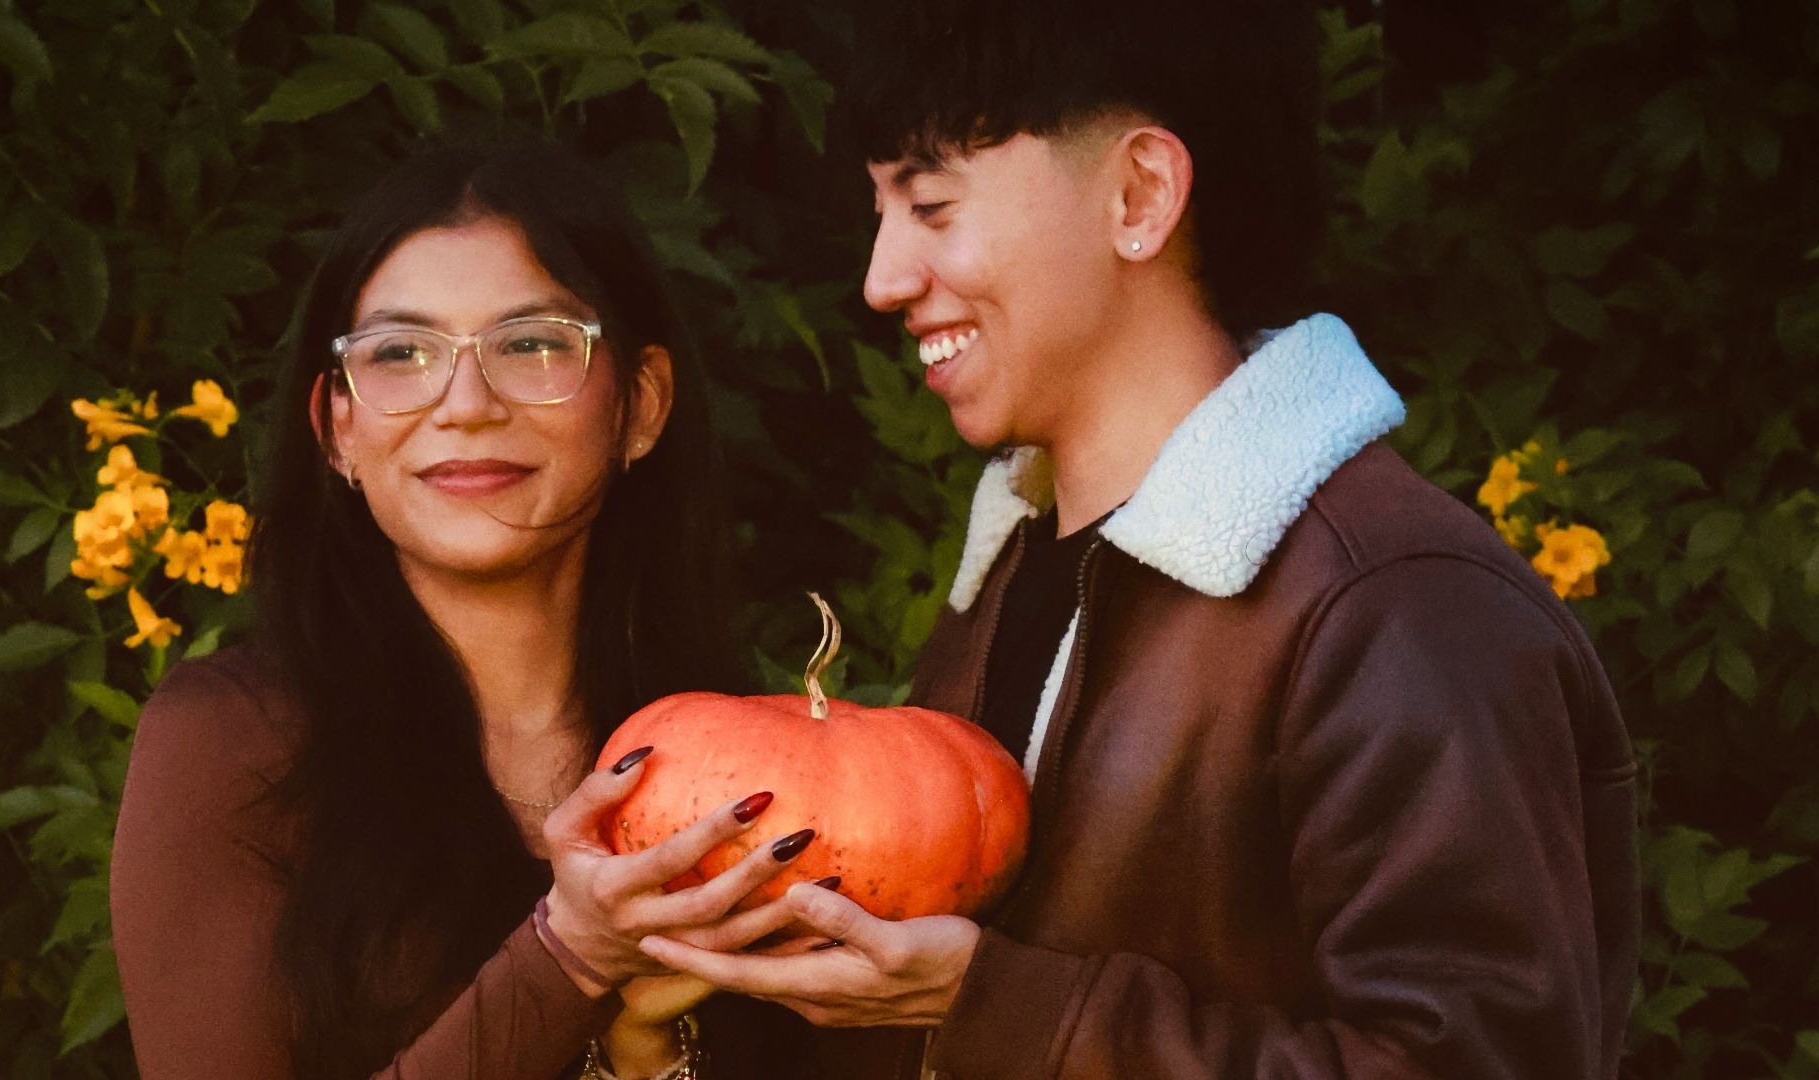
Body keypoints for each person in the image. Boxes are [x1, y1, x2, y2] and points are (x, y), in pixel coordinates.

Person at [637, 1, 1640, 1077]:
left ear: (1139, 196)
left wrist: (1014, 1012)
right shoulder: (1016, 567)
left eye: (930, 206)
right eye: (880, 211)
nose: (882, 279)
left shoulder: (1398, 604)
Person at [111, 136, 814, 1079]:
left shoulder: (738, 757)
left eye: (531, 345)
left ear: (640, 406)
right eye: (402, 353)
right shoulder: (231, 743)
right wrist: (570, 960)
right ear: (338, 429)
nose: (467, 403)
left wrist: (646, 1054)